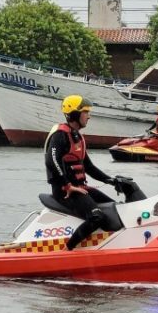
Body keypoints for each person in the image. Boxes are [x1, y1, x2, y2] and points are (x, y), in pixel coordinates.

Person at [45, 94, 117, 250]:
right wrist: (68, 185)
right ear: (75, 113)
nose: (89, 116)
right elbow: (51, 161)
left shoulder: (77, 137)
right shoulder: (60, 135)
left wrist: (111, 181)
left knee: (115, 208)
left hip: (80, 188)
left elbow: (89, 167)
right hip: (65, 191)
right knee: (97, 216)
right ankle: (67, 250)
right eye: (86, 112)